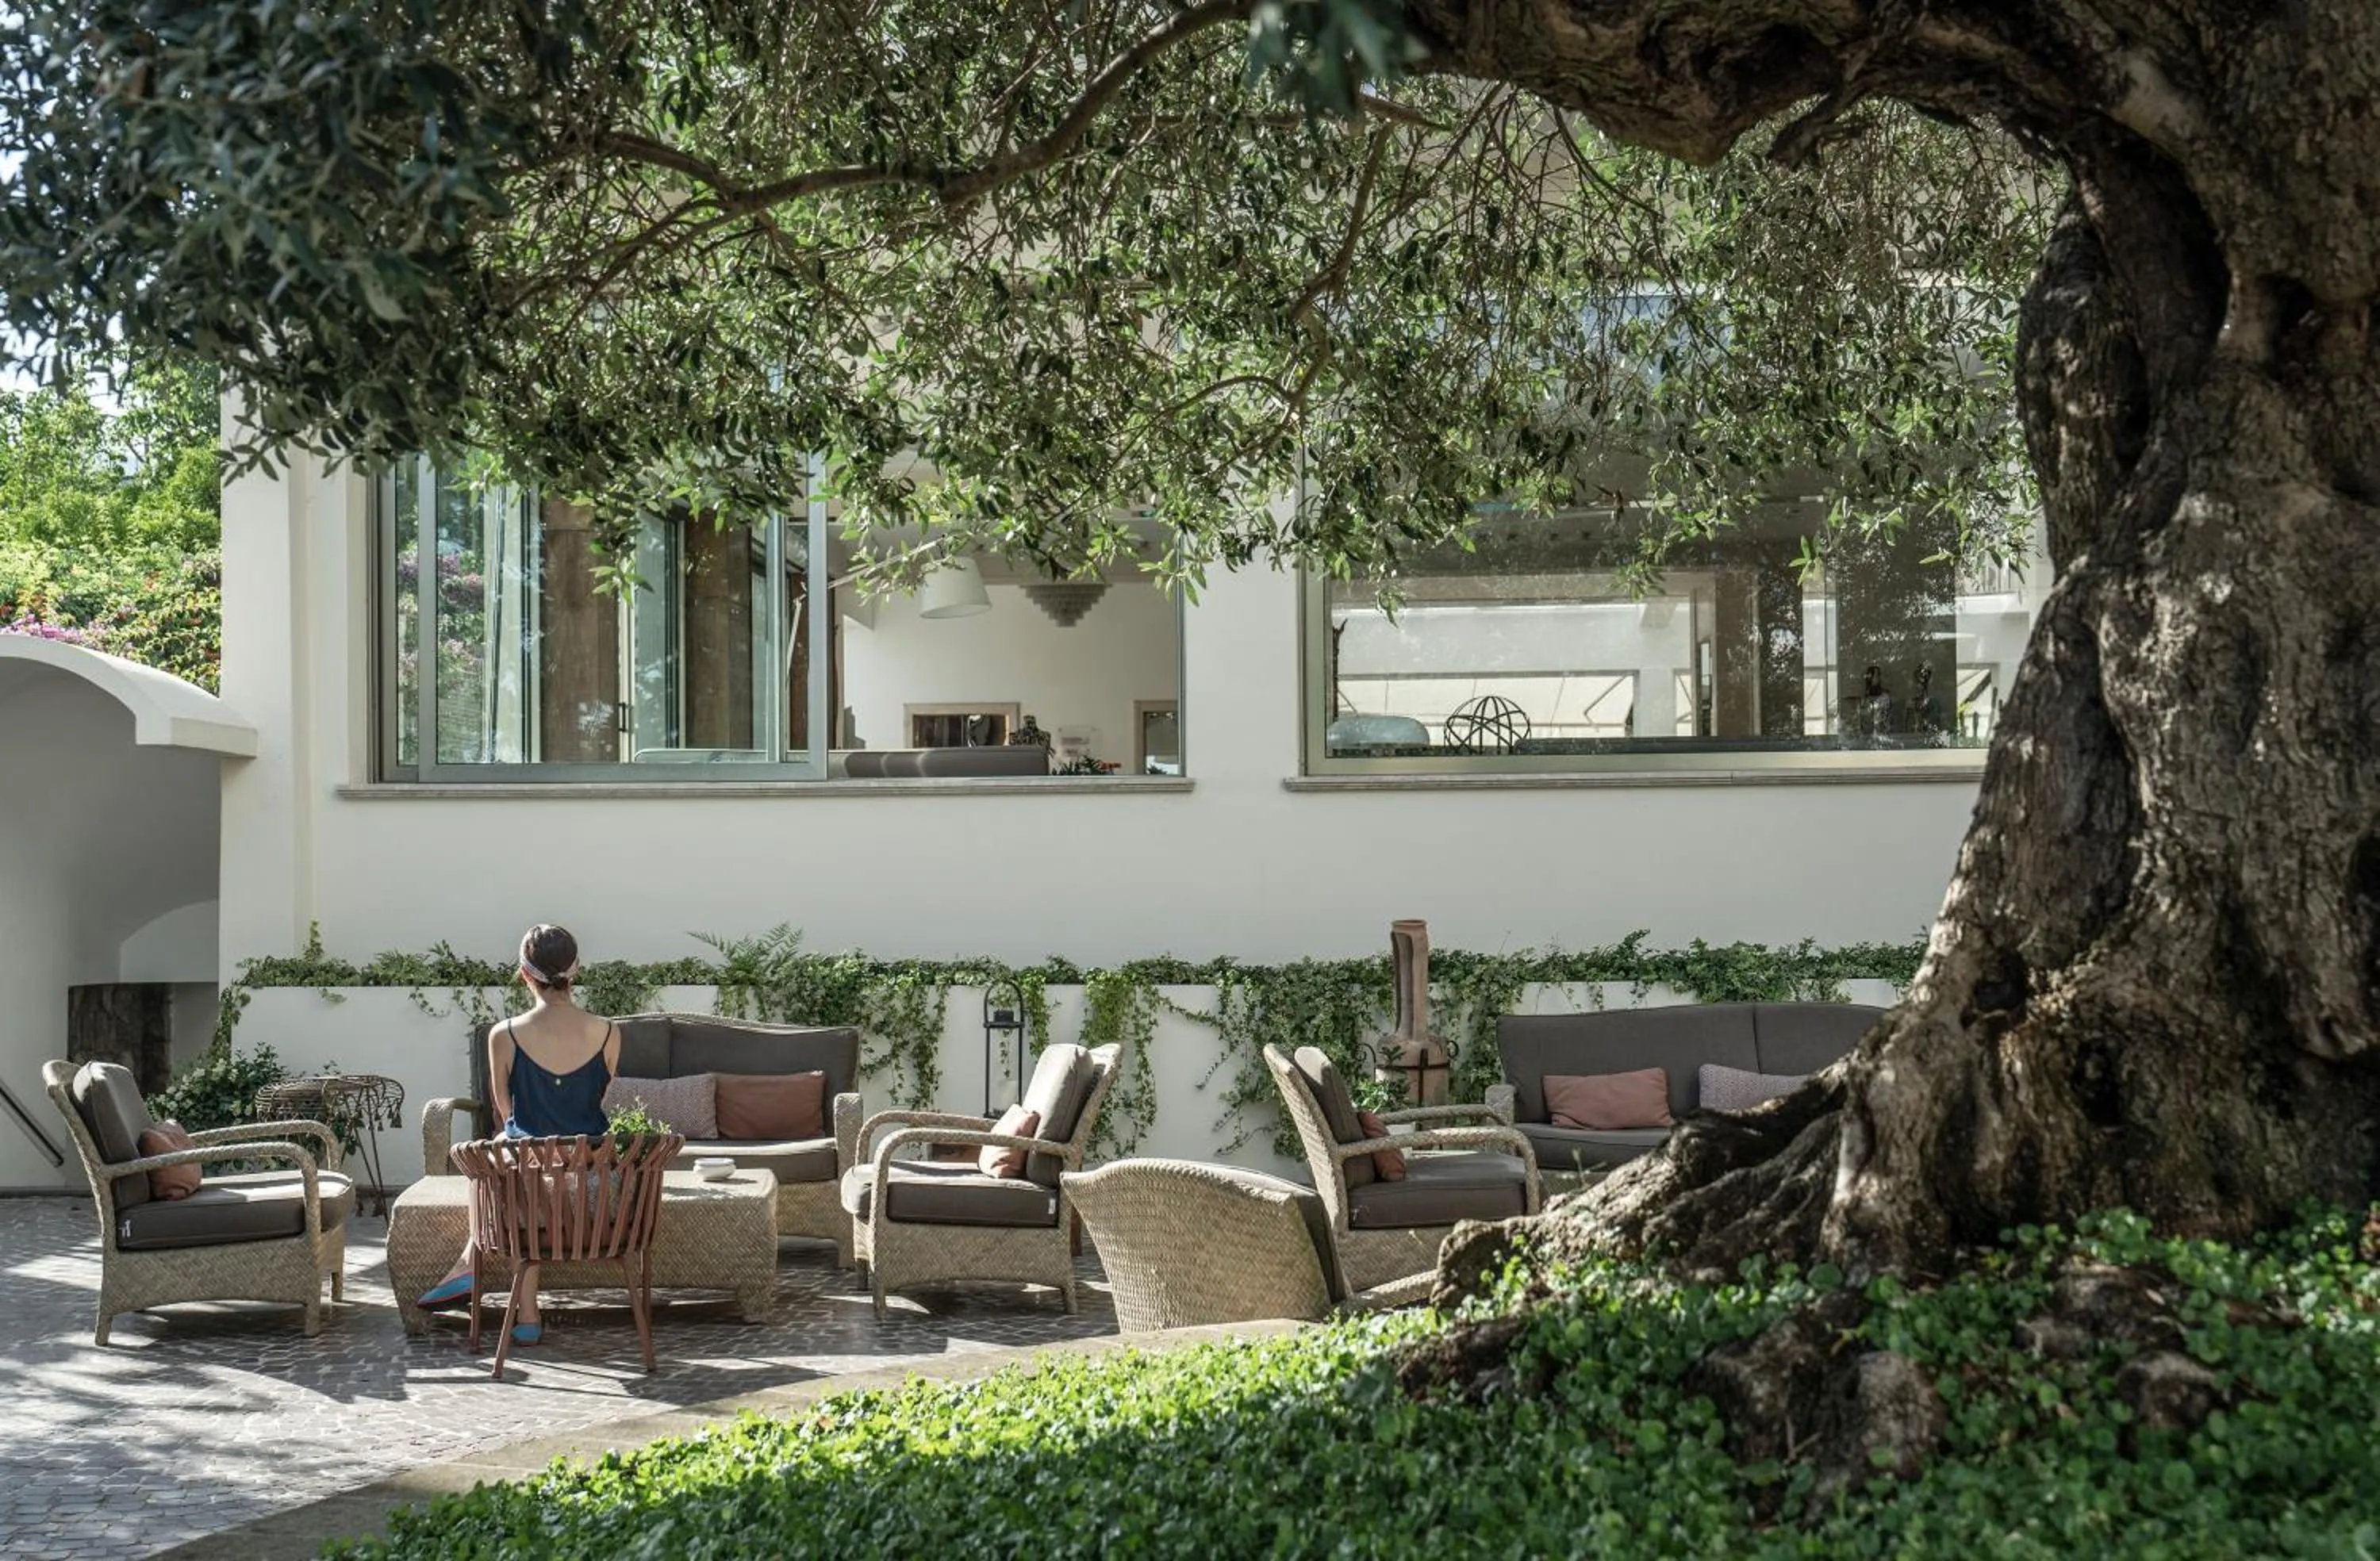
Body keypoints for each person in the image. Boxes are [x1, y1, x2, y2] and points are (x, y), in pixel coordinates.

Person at [415, 924, 622, 1344]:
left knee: (505, 1165)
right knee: (513, 1164)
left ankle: (521, 1310)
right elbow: (601, 1101)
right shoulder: (608, 1032)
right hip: (593, 1184)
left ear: (525, 974)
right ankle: (474, 1270)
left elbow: (505, 1112)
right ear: (575, 971)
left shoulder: (503, 1035)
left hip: (526, 1185)